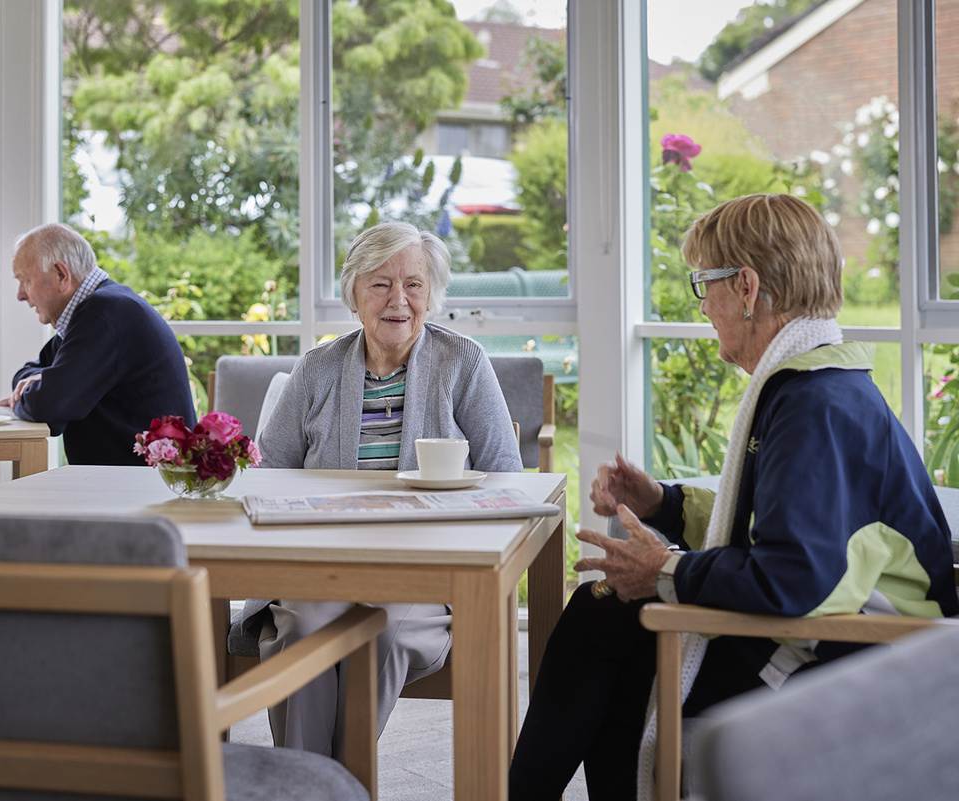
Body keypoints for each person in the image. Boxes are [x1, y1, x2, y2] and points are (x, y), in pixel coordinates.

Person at [509, 194, 959, 801]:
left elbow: (793, 577)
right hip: (838, 628)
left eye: (704, 284)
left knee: (609, 637)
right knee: (603, 613)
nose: (704, 306)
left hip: (860, 657)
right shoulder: (818, 382)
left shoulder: (812, 407)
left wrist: (665, 568)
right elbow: (778, 525)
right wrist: (663, 503)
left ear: (746, 288)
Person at [243, 221, 523, 758]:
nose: (399, 300)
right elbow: (267, 474)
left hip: (422, 572)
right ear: (354, 295)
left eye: (413, 284)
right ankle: (305, 789)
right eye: (380, 284)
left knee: (381, 629)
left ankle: (341, 785)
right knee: (302, 628)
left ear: (431, 294)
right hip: (321, 567)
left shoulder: (462, 363)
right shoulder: (316, 370)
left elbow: (506, 477)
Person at [0, 222, 196, 465]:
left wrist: (41, 387)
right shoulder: (95, 310)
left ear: (61, 275)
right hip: (127, 482)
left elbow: (49, 407)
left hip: (140, 488)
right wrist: (39, 383)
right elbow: (31, 371)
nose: (20, 294)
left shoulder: (104, 314)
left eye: (25, 280)